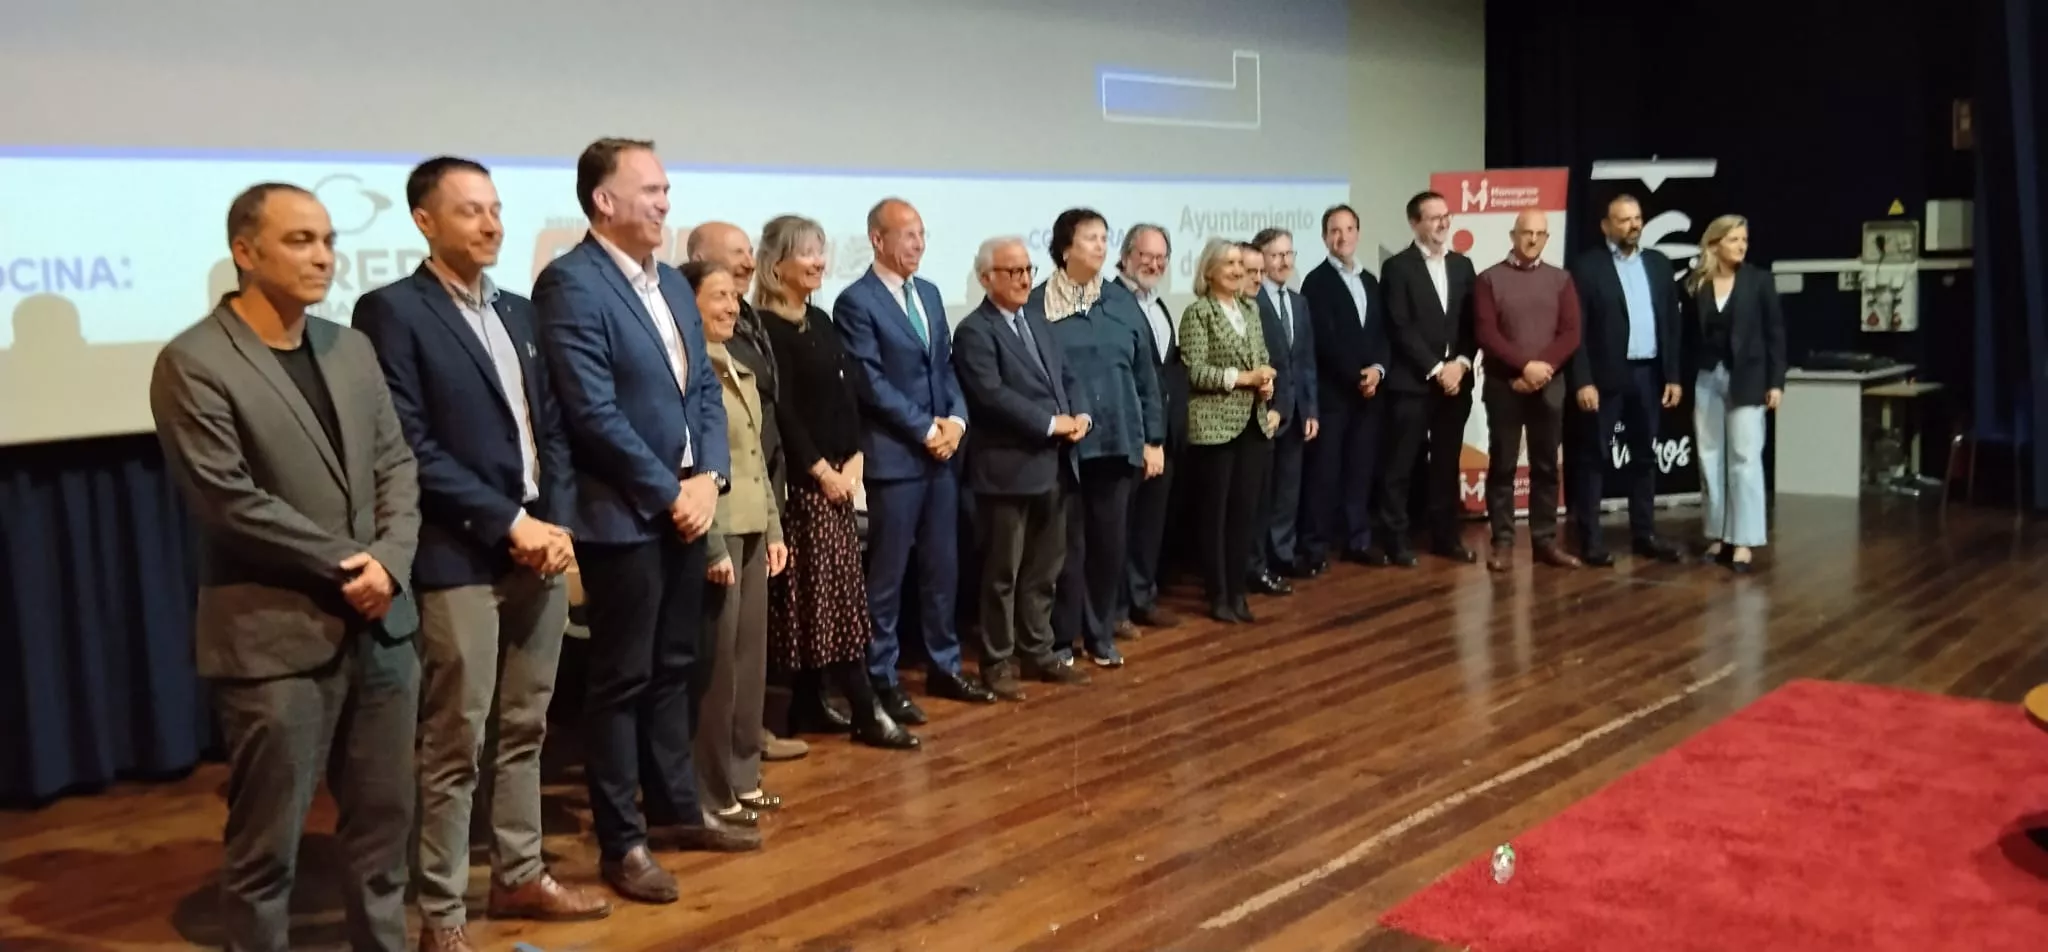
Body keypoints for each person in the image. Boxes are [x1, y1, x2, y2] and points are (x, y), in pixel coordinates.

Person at [149, 183, 421, 952]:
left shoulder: (352, 346)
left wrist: (391, 566)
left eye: (329, 240)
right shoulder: (193, 362)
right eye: (301, 240)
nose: (324, 257)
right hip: (273, 638)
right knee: (267, 849)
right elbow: (227, 499)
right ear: (245, 251)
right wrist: (350, 564)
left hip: (383, 627)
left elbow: (397, 467)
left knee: (381, 831)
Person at [351, 158, 608, 952]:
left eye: (496, 209)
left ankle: (521, 873)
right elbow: (407, 442)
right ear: (425, 222)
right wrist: (507, 523)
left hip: (539, 548)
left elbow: (556, 431)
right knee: (455, 739)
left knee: (526, 726)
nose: (492, 224)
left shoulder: (524, 313)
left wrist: (555, 523)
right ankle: (443, 917)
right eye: (470, 211)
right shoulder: (391, 311)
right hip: (458, 554)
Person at [534, 137, 757, 906]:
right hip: (623, 516)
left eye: (666, 189)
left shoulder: (667, 281)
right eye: (652, 189)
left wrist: (709, 479)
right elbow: (591, 412)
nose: (666, 201)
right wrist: (671, 492)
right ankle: (621, 841)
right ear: (604, 200)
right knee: (622, 680)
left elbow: (702, 394)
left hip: (685, 509)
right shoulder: (571, 284)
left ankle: (674, 810)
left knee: (676, 669)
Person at [757, 214, 920, 750]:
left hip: (842, 480)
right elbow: (783, 412)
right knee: (831, 601)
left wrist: (853, 461)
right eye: (807, 253)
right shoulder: (766, 330)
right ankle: (865, 708)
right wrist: (822, 471)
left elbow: (847, 395)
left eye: (821, 251)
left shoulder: (822, 321)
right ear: (776, 264)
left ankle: (808, 700)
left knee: (833, 596)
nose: (819, 263)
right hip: (805, 488)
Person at [834, 198, 997, 717]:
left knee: (942, 568)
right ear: (878, 240)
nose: (918, 244)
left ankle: (944, 665)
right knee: (887, 578)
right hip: (894, 459)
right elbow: (870, 382)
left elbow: (944, 368)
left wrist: (956, 420)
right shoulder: (855, 302)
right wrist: (926, 428)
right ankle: (881, 678)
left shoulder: (927, 292)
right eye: (908, 235)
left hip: (941, 457)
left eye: (923, 235)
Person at [685, 221, 807, 764]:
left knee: (750, 655)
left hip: (758, 523)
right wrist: (711, 545)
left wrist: (776, 527)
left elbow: (757, 454)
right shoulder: (689, 373)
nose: (733, 306)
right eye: (720, 297)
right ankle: (719, 780)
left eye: (736, 299)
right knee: (719, 661)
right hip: (719, 531)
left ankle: (745, 767)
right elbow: (693, 467)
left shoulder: (739, 363)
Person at [952, 235, 1094, 698]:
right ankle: (997, 662)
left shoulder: (1037, 319)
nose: (1024, 279)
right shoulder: (974, 330)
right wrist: (1053, 423)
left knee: (1044, 570)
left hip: (1054, 466)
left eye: (1028, 270)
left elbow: (1067, 375)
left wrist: (1082, 415)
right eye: (1013, 272)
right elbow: (991, 396)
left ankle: (1039, 651)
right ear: (985, 277)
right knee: (1002, 575)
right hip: (1007, 472)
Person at [1032, 208, 1165, 668]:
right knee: (1067, 550)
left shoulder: (1120, 301)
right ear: (1065, 246)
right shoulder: (1038, 304)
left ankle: (1100, 632)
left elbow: (1146, 373)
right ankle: (1062, 638)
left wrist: (1154, 439)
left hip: (1118, 441)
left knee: (1110, 547)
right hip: (1063, 448)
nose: (1101, 246)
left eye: (1105, 238)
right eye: (1091, 238)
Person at [1565, 194, 1686, 566]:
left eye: (1637, 219)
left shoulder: (1659, 264)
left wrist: (1674, 376)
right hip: (1604, 378)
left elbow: (1671, 323)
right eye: (1624, 220)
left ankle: (1644, 533)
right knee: (1594, 457)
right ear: (1606, 226)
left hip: (1649, 375)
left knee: (1645, 457)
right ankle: (1591, 539)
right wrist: (1583, 380)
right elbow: (1577, 331)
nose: (1633, 225)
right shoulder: (1586, 268)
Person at [1470, 208, 1584, 573]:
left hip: (1548, 386)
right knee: (1503, 465)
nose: (1532, 239)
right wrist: (1524, 367)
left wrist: (1541, 370)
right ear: (1512, 235)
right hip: (1505, 386)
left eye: (1540, 233)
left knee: (1547, 466)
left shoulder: (1561, 279)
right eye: (1526, 232)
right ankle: (1502, 543)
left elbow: (1571, 333)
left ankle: (1545, 542)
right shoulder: (1489, 279)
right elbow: (1486, 333)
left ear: (1547, 239)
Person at [1179, 238, 1280, 623]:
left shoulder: (1251, 310)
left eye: (1241, 263)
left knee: (1244, 515)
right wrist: (1244, 377)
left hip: (1252, 424)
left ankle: (1238, 592)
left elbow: (1263, 359)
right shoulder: (1198, 313)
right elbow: (1195, 371)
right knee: (1215, 517)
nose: (1239, 270)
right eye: (1230, 264)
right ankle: (1218, 595)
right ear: (1209, 272)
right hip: (1213, 427)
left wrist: (1265, 379)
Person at [1380, 190, 1479, 565]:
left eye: (1446, 215)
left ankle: (1446, 537)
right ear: (1414, 222)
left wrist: (1462, 363)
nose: (1442, 223)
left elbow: (1473, 324)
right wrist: (1438, 369)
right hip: (1413, 384)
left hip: (1457, 384)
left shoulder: (1463, 266)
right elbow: (1400, 326)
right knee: (1401, 465)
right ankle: (1396, 539)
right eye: (1433, 217)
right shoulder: (1398, 267)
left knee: (1446, 465)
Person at [1682, 214, 1785, 573]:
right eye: (1733, 239)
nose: (1741, 245)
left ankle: (1744, 540)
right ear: (1714, 244)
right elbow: (1689, 337)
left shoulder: (1758, 282)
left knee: (1744, 458)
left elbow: (1775, 335)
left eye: (1744, 239)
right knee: (1710, 457)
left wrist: (1776, 383)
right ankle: (1718, 533)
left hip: (1748, 379)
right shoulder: (1697, 283)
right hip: (1708, 377)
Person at [1300, 204, 1390, 567]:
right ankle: (1315, 547)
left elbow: (1383, 333)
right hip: (1334, 395)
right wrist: (1356, 375)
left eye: (1349, 229)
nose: (1343, 237)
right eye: (1335, 231)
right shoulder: (1315, 281)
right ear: (1325, 237)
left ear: (1358, 232)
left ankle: (1358, 540)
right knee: (1325, 475)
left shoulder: (1370, 281)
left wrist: (1379, 371)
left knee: (1360, 470)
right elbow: (1323, 340)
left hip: (1369, 396)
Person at [1109, 224, 1185, 636]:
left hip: (1163, 436)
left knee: (1150, 526)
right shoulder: (1112, 301)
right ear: (1125, 256)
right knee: (1122, 526)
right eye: (1145, 255)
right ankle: (1117, 608)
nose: (1153, 264)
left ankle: (1142, 597)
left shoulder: (1158, 304)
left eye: (1161, 257)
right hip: (1130, 437)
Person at [1251, 229, 1320, 585]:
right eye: (1275, 255)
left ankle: (1282, 555)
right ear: (1259, 258)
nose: (1284, 261)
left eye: (1288, 254)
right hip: (1263, 414)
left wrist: (1310, 410)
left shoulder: (1298, 302)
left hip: (1295, 413)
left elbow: (1305, 362)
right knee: (1261, 495)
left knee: (1287, 493)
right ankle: (1257, 562)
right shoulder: (1250, 302)